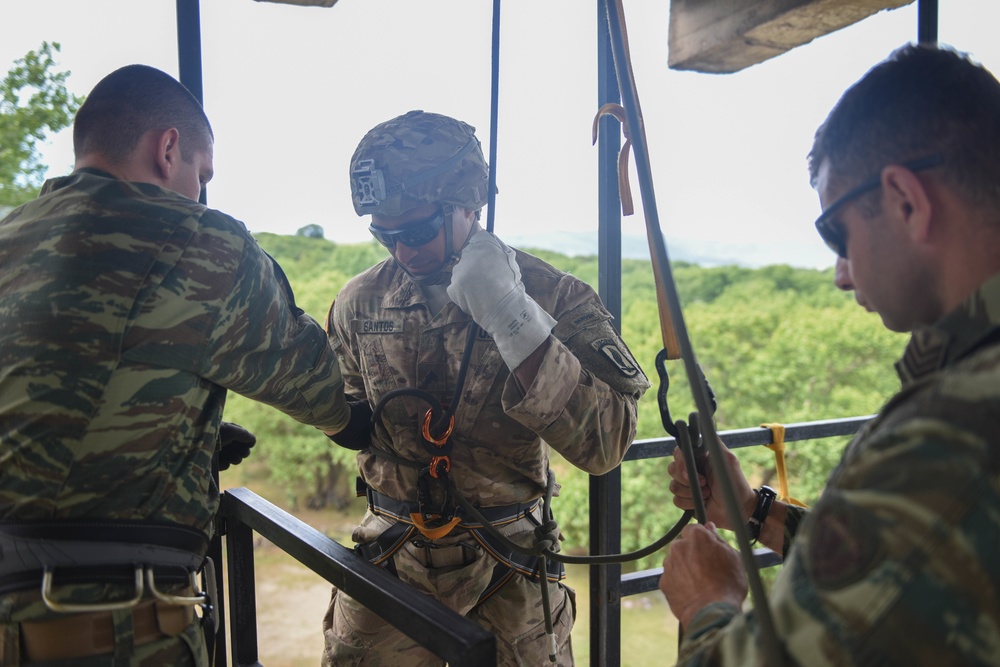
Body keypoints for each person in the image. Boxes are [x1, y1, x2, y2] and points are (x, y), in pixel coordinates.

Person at [660, 43, 1000, 665]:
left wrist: (709, 602)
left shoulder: (950, 434)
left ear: (905, 200)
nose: (842, 275)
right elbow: (903, 563)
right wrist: (758, 513)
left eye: (836, 232)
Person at [0, 64, 351, 666]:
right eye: (201, 173)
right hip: (105, 628)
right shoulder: (198, 240)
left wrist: (177, 435)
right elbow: (320, 387)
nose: (199, 191)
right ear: (168, 148)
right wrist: (355, 424)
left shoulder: (11, 235)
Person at [322, 110, 650, 666]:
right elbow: (352, 411)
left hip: (512, 571)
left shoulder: (552, 296)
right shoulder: (360, 302)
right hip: (390, 562)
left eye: (420, 231)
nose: (403, 252)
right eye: (385, 234)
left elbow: (606, 442)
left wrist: (513, 318)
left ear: (468, 205)